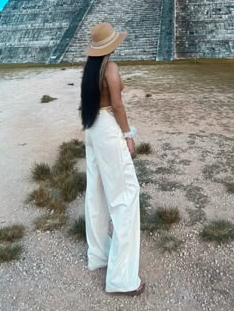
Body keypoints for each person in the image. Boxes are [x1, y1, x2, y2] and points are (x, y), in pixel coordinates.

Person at [80, 22, 145, 296]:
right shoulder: (111, 68)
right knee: (126, 195)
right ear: (112, 44)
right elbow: (117, 104)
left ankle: (99, 254)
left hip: (92, 127)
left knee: (96, 191)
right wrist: (128, 134)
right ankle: (121, 278)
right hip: (107, 127)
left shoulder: (89, 68)